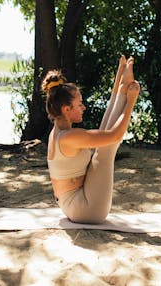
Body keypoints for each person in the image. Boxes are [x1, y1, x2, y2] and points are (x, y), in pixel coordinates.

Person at [42, 56, 140, 224]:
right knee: (104, 152)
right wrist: (131, 101)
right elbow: (114, 135)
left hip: (73, 203)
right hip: (86, 209)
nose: (83, 107)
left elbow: (105, 133)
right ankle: (123, 90)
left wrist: (118, 80)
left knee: (101, 148)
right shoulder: (68, 137)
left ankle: (121, 88)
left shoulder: (59, 132)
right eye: (79, 103)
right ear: (66, 109)